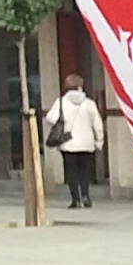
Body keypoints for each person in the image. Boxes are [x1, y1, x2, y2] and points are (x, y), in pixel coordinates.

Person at [50, 73, 106, 208]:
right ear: (80, 87)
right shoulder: (89, 104)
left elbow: (50, 118)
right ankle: (86, 196)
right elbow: (97, 124)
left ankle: (75, 199)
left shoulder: (61, 102)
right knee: (85, 171)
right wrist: (99, 141)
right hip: (87, 143)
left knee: (71, 171)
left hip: (68, 143)